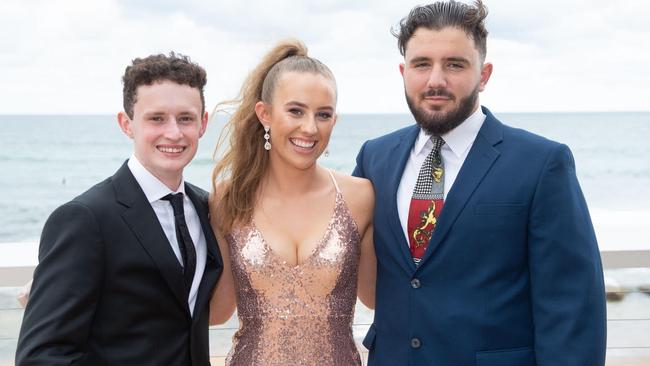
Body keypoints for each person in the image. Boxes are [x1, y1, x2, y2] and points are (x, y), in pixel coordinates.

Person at [352, 1, 607, 365]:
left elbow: (572, 306)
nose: (435, 80)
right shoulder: (374, 158)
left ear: (484, 75)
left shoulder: (542, 163)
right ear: (403, 71)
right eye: (422, 64)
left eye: (454, 64)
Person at [15, 53, 223, 365]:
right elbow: (42, 355)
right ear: (126, 124)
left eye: (185, 118)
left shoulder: (207, 208)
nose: (174, 133)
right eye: (156, 118)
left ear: (203, 124)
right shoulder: (84, 219)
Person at [208, 39, 376, 365]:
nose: (310, 128)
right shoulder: (228, 199)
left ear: (334, 122)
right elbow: (218, 310)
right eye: (296, 111)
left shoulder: (360, 197)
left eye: (323, 115)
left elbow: (381, 297)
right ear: (265, 114)